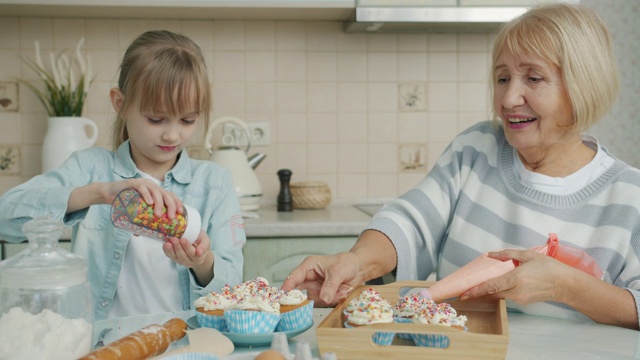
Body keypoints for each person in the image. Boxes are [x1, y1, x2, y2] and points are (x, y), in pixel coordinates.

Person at [282, 3, 639, 330]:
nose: (509, 99)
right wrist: (357, 262)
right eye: (503, 78)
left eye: (533, 78)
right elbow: (413, 220)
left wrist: (568, 286)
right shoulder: (476, 149)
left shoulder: (628, 196)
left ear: (582, 87)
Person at [0, 30, 245, 321]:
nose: (172, 133)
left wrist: (202, 262)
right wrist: (99, 193)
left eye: (187, 120)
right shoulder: (90, 169)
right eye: (156, 119)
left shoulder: (214, 184)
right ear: (120, 103)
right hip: (104, 343)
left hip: (186, 343)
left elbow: (234, 283)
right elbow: (6, 218)